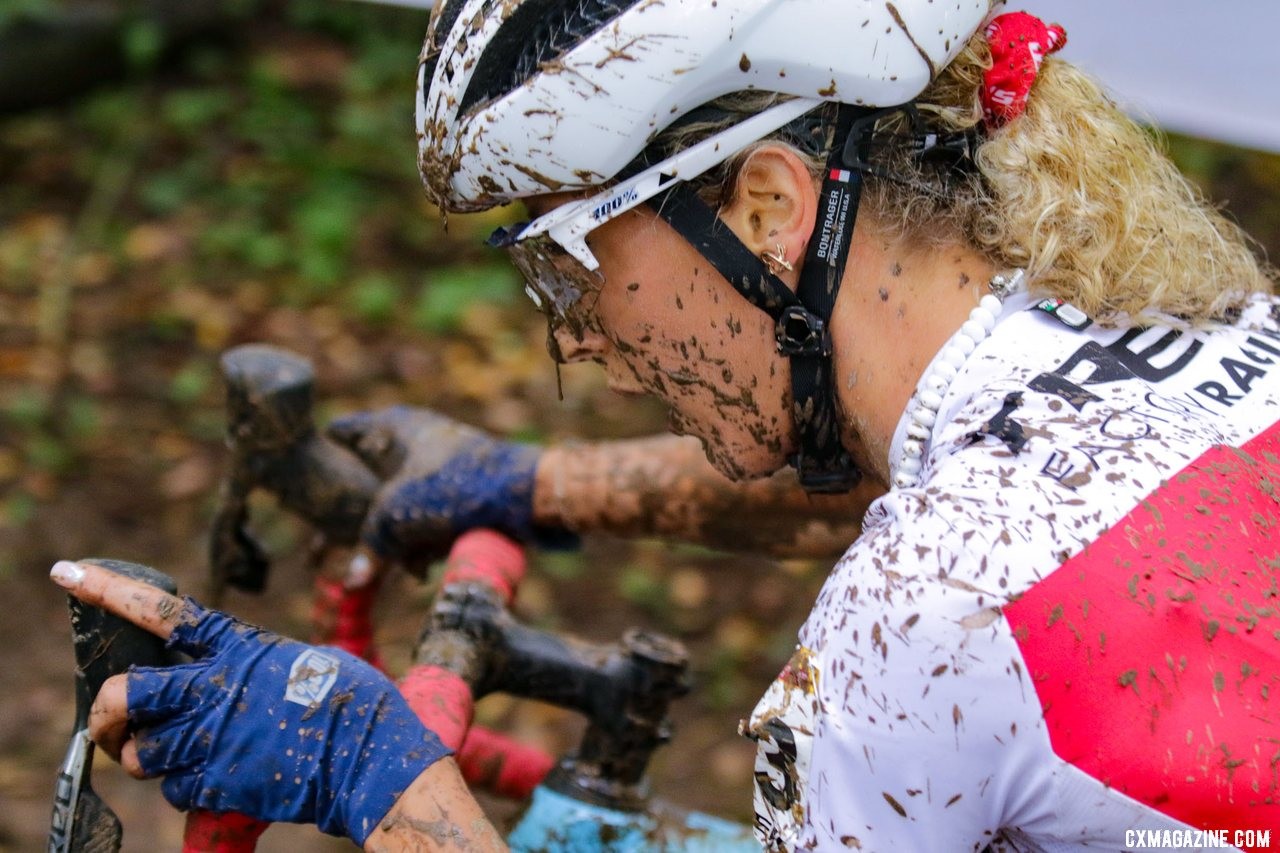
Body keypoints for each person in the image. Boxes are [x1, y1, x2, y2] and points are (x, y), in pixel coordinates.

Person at [52, 0, 1280, 849]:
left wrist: (378, 778)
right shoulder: (1226, 328)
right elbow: (977, 504)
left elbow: (946, 575)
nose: (577, 336)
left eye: (567, 266)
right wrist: (543, 484)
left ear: (766, 204)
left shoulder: (906, 629)